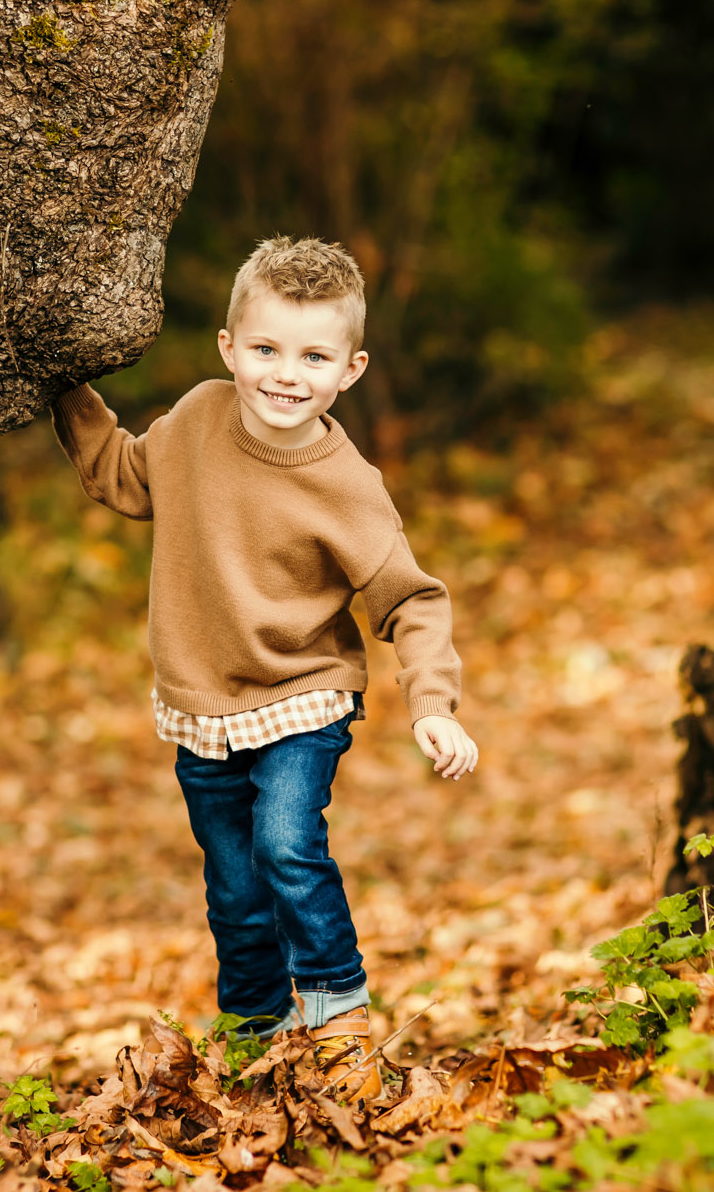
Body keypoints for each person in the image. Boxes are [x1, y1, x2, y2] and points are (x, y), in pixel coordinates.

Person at [51, 236, 478, 1100]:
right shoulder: (198, 419)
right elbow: (123, 476)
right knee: (235, 884)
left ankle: (337, 1023)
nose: (287, 374)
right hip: (202, 705)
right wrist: (58, 386)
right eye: (267, 350)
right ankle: (253, 1035)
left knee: (286, 844)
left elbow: (412, 597)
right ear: (229, 348)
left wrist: (432, 701)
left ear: (350, 369)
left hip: (303, 694)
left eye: (314, 356)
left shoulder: (346, 483)